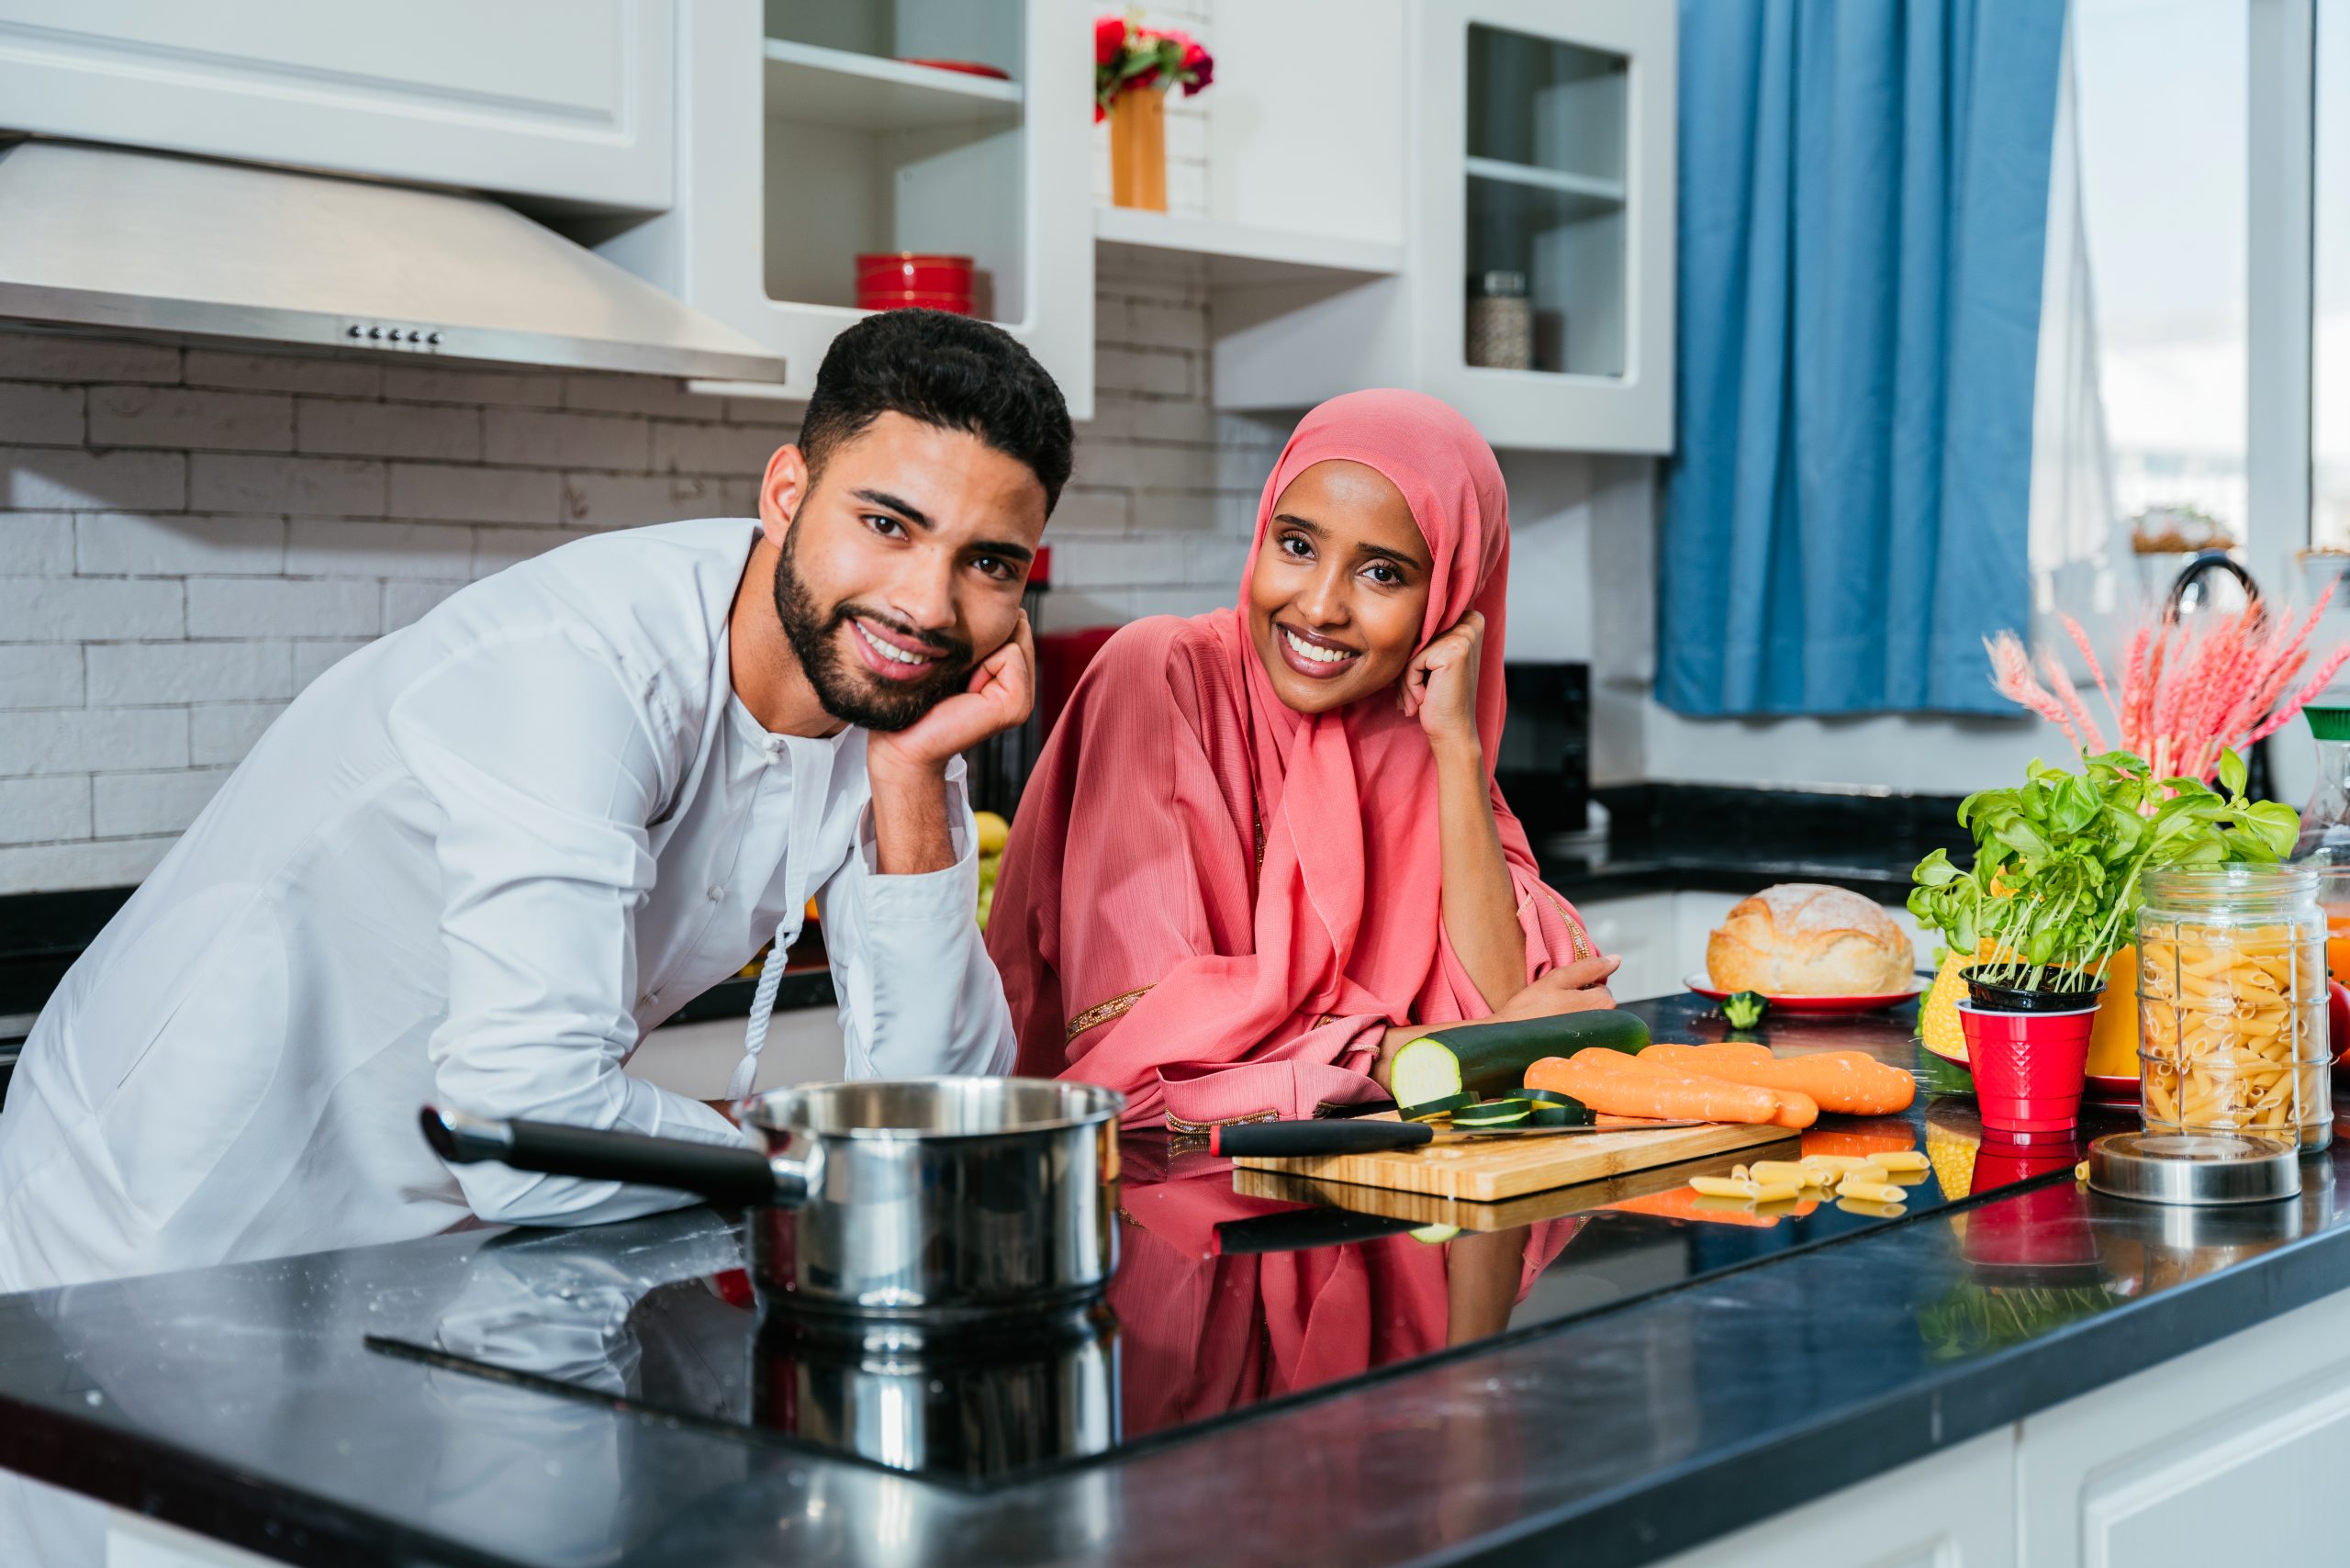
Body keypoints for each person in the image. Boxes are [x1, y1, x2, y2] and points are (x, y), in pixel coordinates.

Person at [0, 309, 1070, 1291]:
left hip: (415, 1244)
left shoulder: (887, 699)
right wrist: (809, 1150)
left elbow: (948, 1114)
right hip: (150, 1220)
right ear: (786, 492)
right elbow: (527, 1132)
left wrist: (910, 776)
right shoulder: (582, 666)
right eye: (888, 523)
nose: (928, 603)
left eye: (986, 561)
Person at [987, 388, 1617, 1129]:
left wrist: (1456, 748)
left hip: (1388, 1200)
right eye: (1297, 546)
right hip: (1140, 1199)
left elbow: (1522, 1012)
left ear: (1445, 602)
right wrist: (1408, 1055)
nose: (1319, 606)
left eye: (1382, 573)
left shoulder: (1420, 732)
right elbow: (1143, 1044)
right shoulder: (1161, 674)